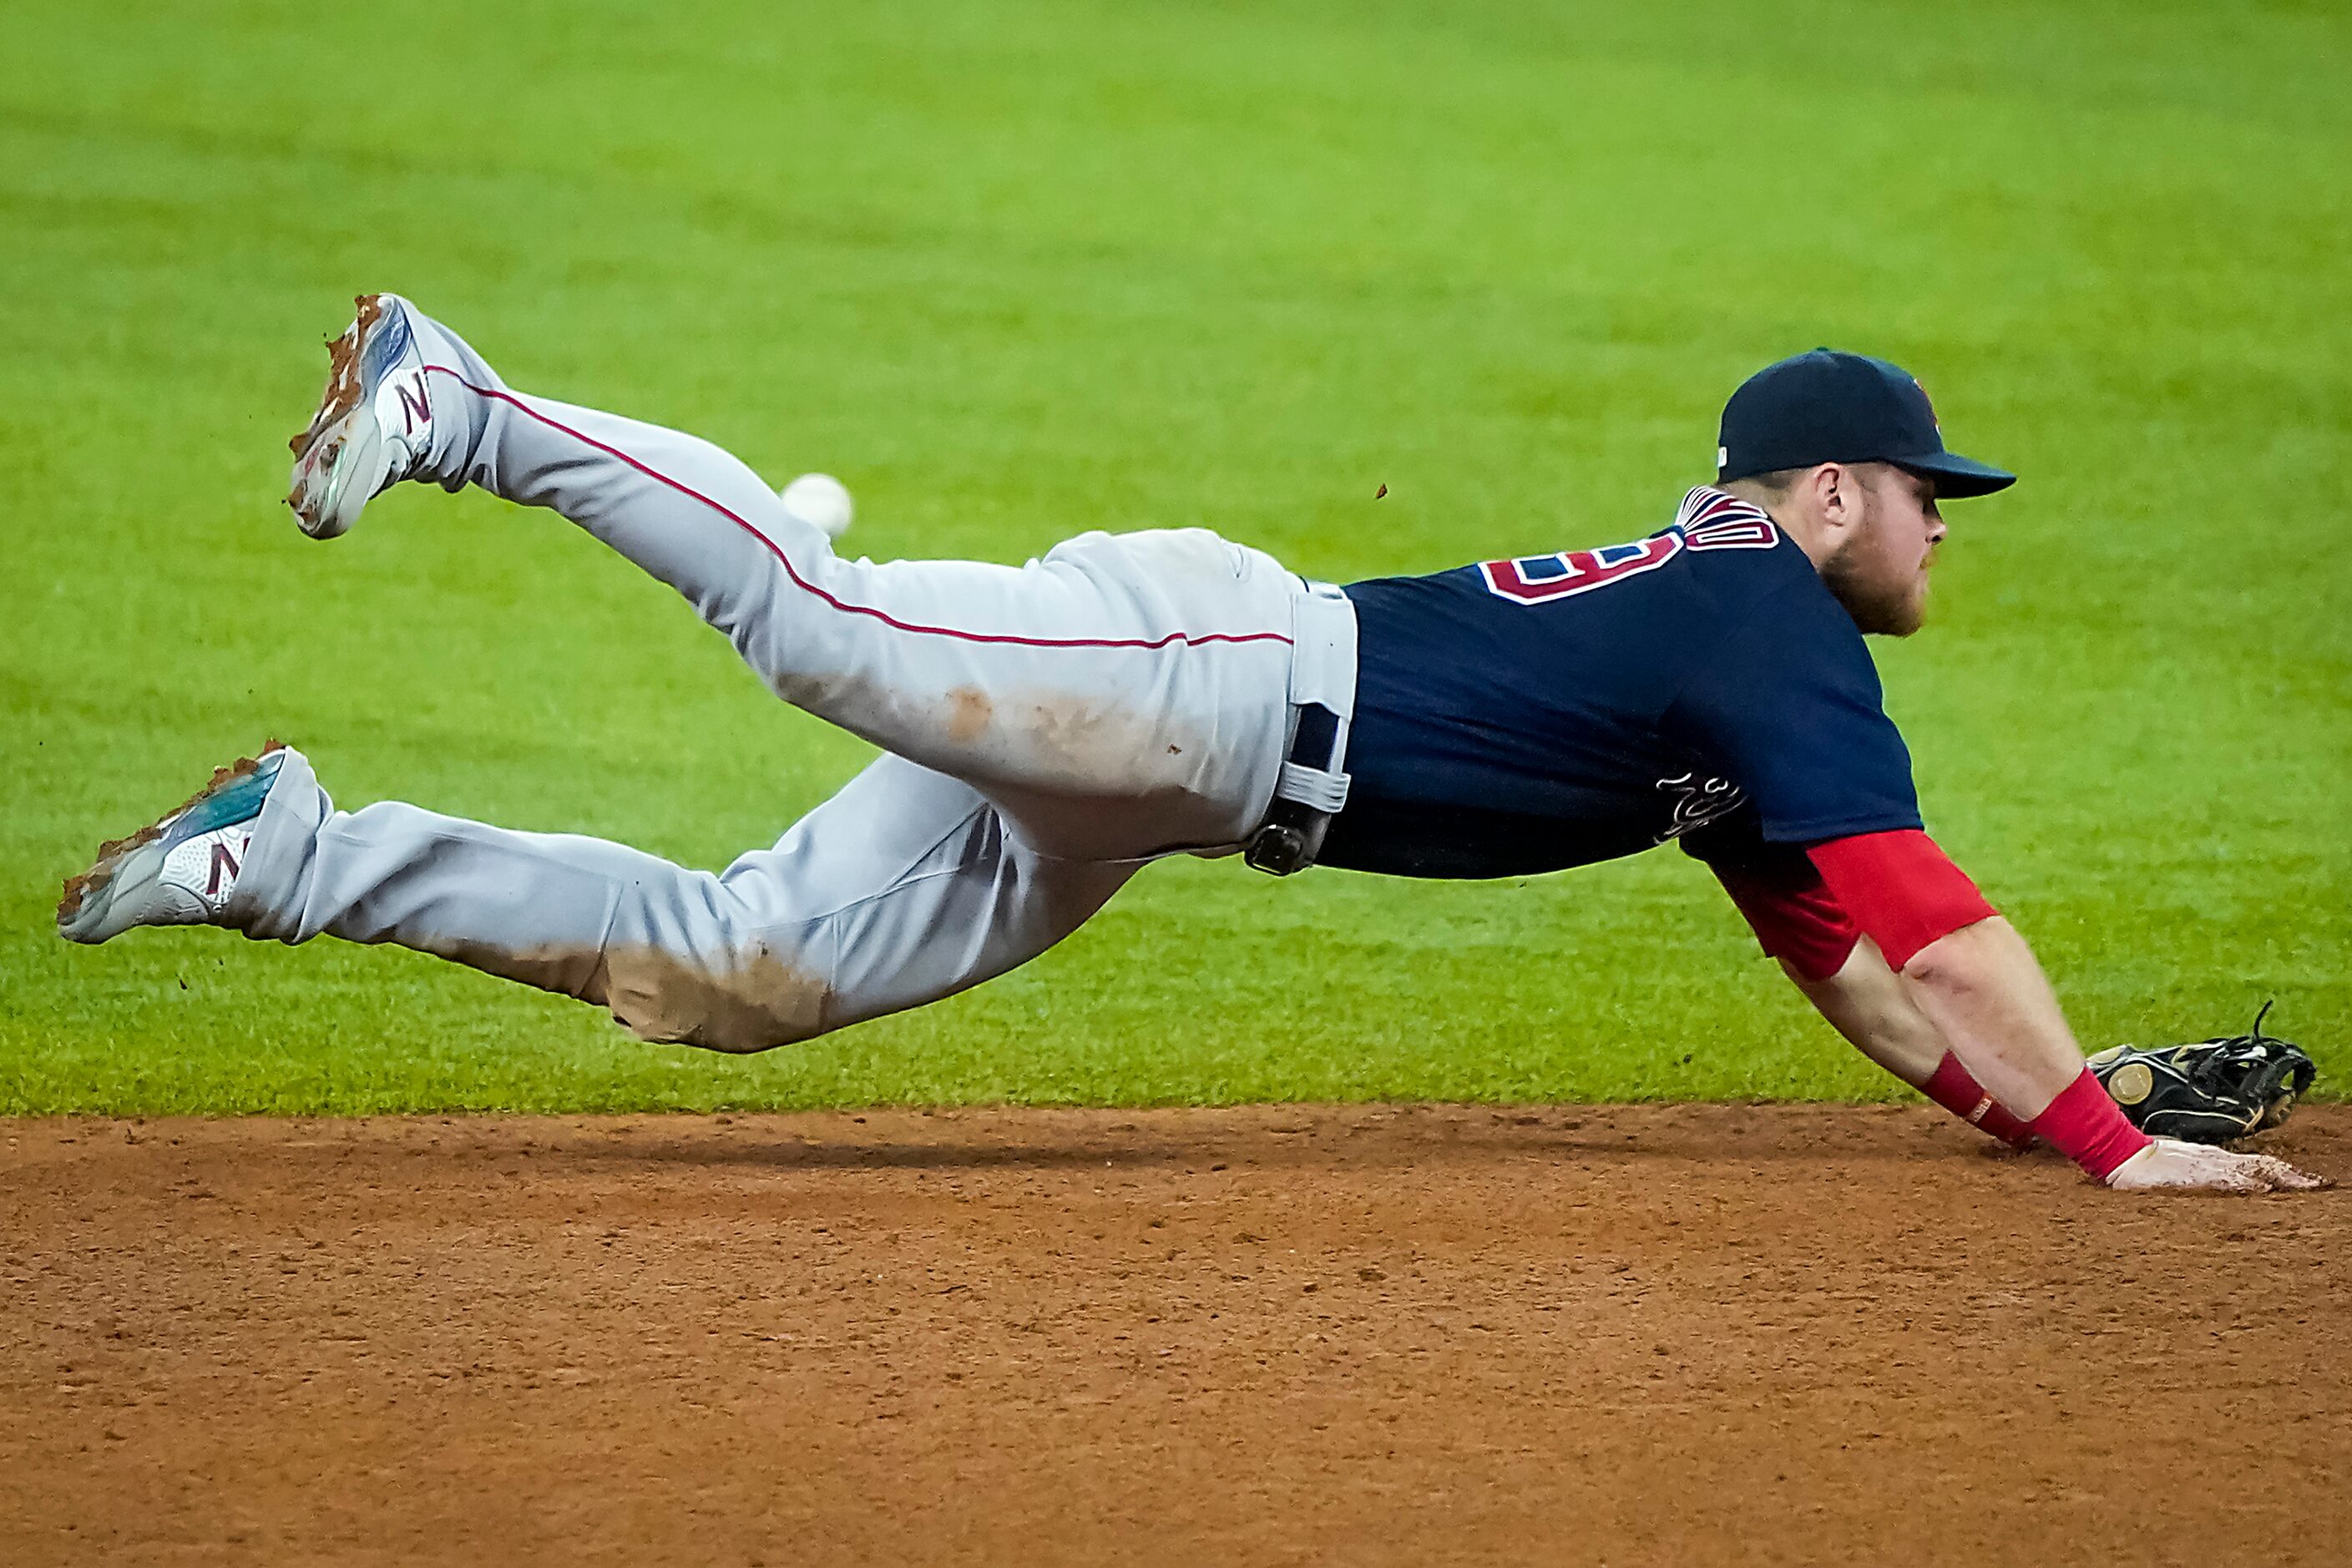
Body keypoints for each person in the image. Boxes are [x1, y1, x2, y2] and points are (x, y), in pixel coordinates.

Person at [57, 296, 2320, 1196]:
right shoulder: (1768, 615)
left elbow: (1840, 953)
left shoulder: (1729, 654)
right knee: (818, 625)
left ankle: (300, 853)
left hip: (1171, 778)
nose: (1940, 531)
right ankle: (462, 403)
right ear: (1828, 493)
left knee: (734, 972)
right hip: (1211, 677)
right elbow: (1922, 905)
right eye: (1927, 495)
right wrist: (2118, 1162)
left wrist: (2031, 1102)